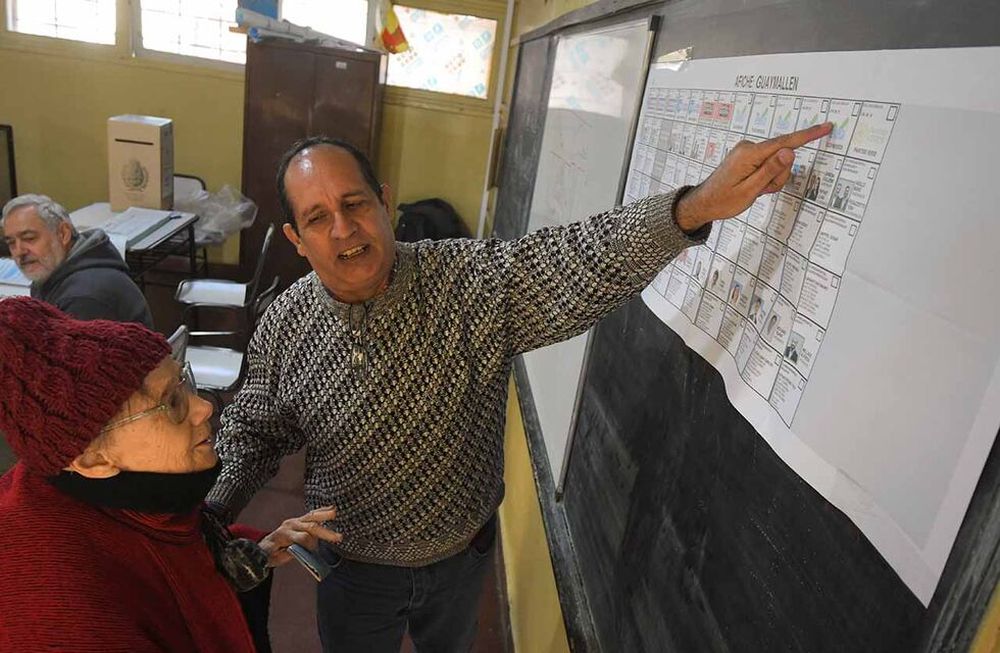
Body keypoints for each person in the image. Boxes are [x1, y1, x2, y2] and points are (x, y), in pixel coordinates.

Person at [207, 122, 833, 652]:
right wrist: (205, 516)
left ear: (384, 200)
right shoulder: (287, 323)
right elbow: (253, 430)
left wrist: (692, 208)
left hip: (461, 558)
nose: (344, 230)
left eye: (355, 204)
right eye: (318, 218)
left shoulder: (468, 282)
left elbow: (577, 260)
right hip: (350, 568)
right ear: (296, 237)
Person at [0, 297, 340, 652]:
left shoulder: (113, 487)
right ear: (91, 459)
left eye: (184, 382)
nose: (204, 407)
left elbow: (173, 565)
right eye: (171, 402)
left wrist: (247, 556)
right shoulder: (60, 612)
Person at [1, 194, 153, 327]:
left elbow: (70, 359)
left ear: (63, 233)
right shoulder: (52, 271)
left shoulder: (83, 298)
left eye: (29, 238)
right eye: (11, 243)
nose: (19, 251)